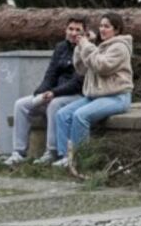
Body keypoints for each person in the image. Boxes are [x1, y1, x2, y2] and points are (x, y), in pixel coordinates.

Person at [52, 12, 134, 173]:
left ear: (116, 30)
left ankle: (81, 159)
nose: (102, 29)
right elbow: (81, 69)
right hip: (95, 96)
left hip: (117, 97)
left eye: (107, 26)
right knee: (62, 114)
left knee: (80, 116)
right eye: (101, 26)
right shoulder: (100, 47)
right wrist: (81, 45)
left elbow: (101, 66)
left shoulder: (120, 47)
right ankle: (65, 158)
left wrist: (87, 46)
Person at [2, 17, 86, 166]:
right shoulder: (60, 47)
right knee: (21, 105)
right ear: (65, 30)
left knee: (54, 104)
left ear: (84, 33)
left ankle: (51, 152)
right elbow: (50, 74)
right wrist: (40, 93)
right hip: (54, 93)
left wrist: (54, 93)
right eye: (70, 29)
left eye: (78, 30)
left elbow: (77, 82)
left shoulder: (86, 49)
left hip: (76, 96)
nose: (73, 33)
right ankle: (18, 153)